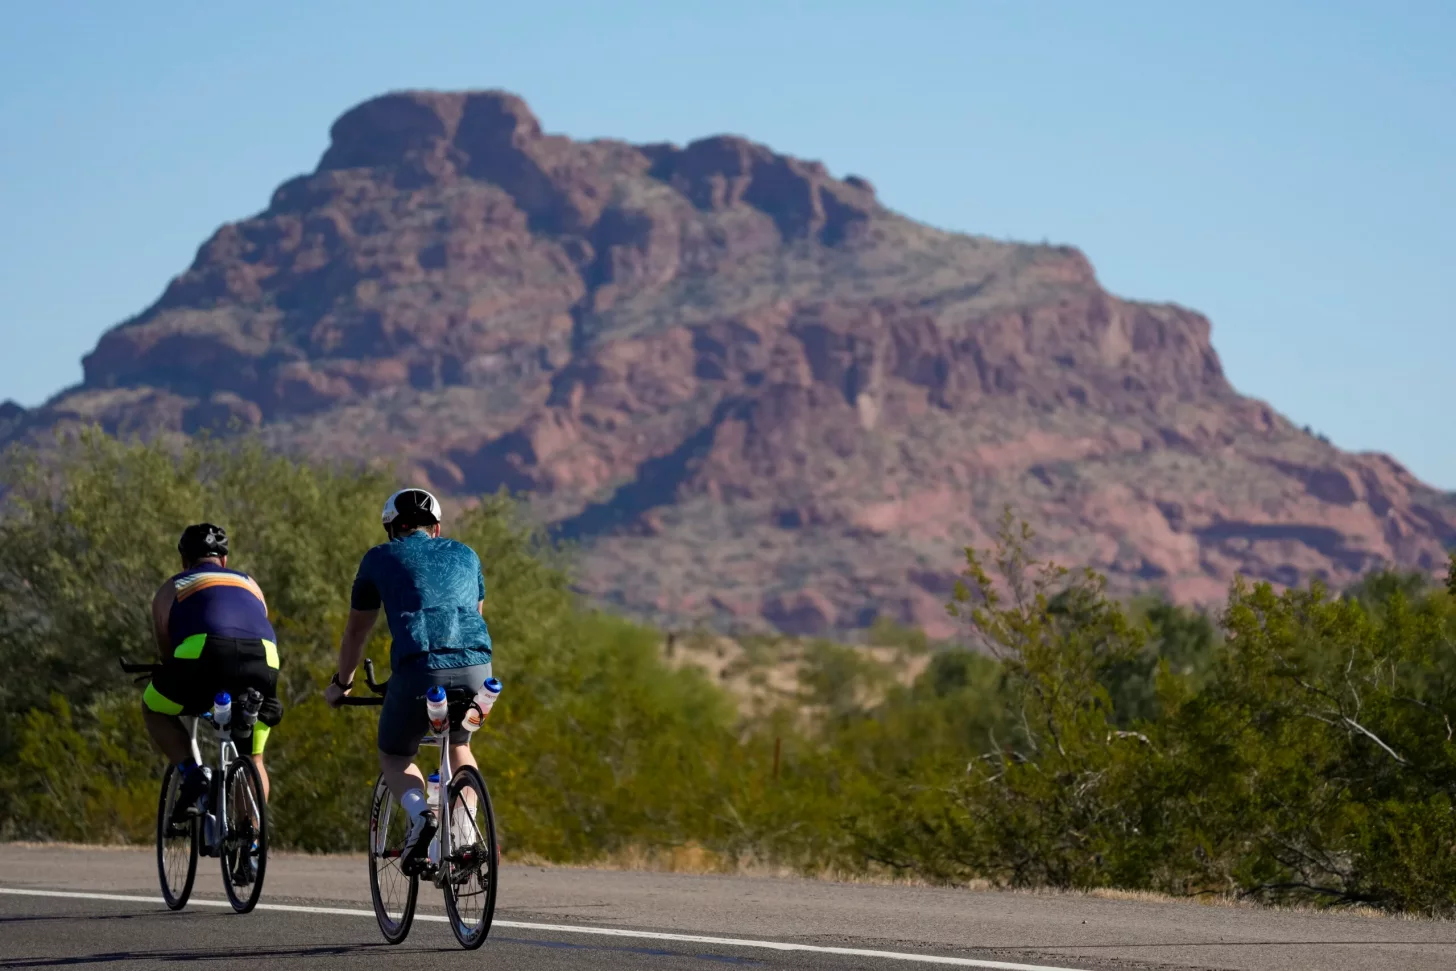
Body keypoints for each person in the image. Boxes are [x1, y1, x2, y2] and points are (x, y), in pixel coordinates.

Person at [324, 488, 493, 869]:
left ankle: (421, 816)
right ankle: (466, 839)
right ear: (436, 527)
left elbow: (355, 633)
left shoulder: (379, 558)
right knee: (460, 743)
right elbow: (475, 614)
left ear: (391, 529)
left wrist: (342, 685)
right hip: (478, 670)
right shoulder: (466, 554)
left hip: (420, 670)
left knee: (395, 753)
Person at [142, 523, 283, 876]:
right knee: (253, 756)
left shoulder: (174, 586)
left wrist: (173, 674)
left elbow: (167, 649)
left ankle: (192, 774)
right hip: (264, 658)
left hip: (202, 654)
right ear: (224, 559)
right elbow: (258, 621)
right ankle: (249, 842)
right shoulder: (250, 583)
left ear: (184, 558)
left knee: (153, 705)